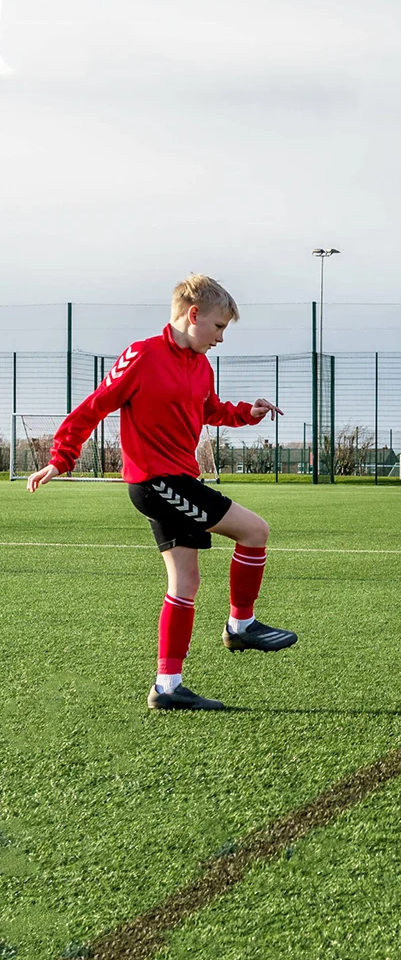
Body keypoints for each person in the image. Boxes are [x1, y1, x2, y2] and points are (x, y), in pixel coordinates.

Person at [27, 274, 298, 711]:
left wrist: (247, 413)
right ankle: (241, 625)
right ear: (194, 315)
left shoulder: (201, 365)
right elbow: (95, 405)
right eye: (218, 327)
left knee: (185, 582)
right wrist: (62, 457)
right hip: (156, 482)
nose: (221, 338)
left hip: (179, 480)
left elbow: (209, 409)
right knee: (254, 531)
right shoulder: (142, 355)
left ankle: (167, 687)